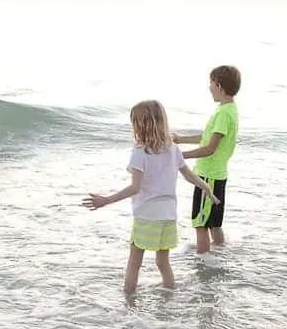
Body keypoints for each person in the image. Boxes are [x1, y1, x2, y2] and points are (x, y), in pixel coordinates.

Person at [82, 100, 220, 294]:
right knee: (163, 262)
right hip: (168, 216)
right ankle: (169, 296)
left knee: (135, 261)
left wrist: (106, 200)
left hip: (147, 216)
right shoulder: (173, 149)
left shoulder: (140, 152)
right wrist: (206, 188)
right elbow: (188, 174)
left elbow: (135, 188)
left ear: (139, 126)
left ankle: (128, 299)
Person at [173, 65, 240, 253]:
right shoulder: (230, 110)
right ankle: (219, 258)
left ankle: (204, 266)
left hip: (207, 176)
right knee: (215, 224)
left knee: (200, 225)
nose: (209, 87)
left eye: (210, 83)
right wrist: (180, 139)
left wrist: (177, 155)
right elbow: (209, 137)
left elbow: (209, 149)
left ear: (219, 85)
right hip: (219, 174)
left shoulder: (222, 113)